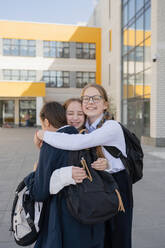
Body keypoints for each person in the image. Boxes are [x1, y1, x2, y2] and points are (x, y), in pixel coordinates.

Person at [36, 84, 133, 248]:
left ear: (105, 104)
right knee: (102, 236)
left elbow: (81, 143)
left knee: (118, 236)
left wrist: (42, 133)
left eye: (96, 98)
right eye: (86, 98)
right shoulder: (84, 128)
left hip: (116, 186)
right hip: (92, 192)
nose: (90, 102)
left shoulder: (110, 127)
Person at [24, 101, 105, 248]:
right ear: (62, 115)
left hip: (62, 220)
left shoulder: (52, 141)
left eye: (80, 114)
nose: (75, 118)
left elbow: (39, 192)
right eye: (70, 113)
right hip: (90, 217)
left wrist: (35, 173)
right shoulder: (88, 140)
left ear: (47, 121)